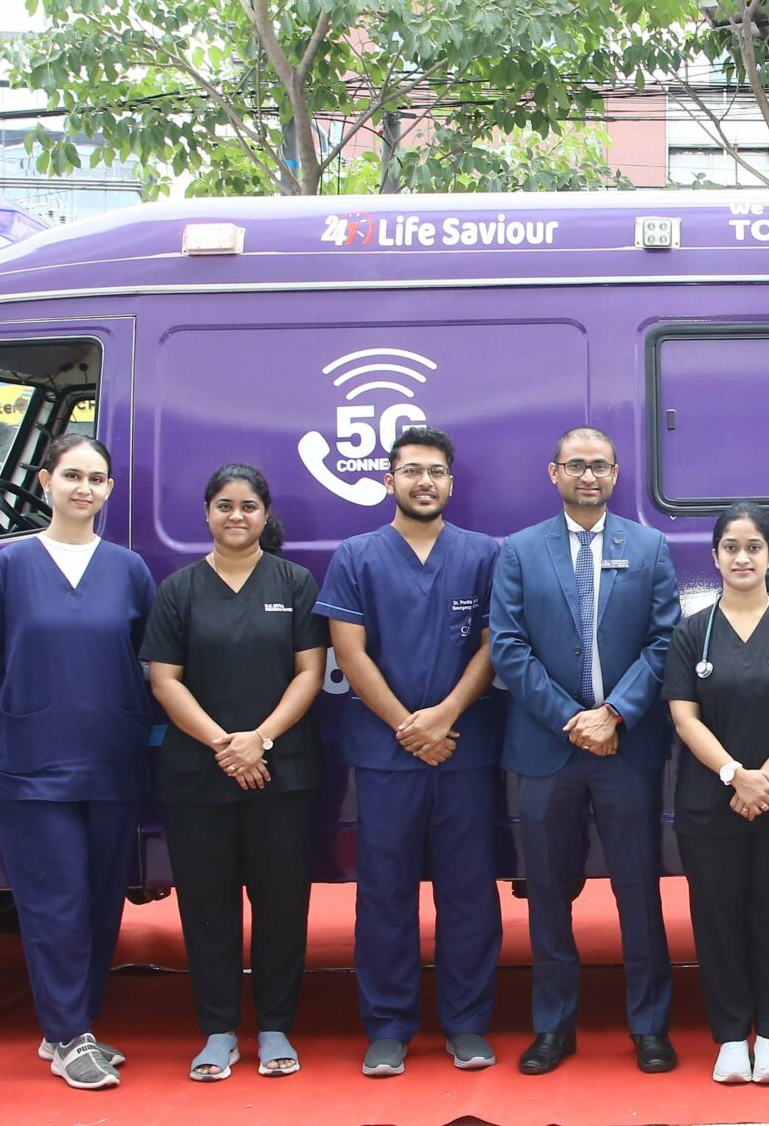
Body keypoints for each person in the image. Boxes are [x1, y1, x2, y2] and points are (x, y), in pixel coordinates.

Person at [0, 435, 159, 1089]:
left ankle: (74, 1029)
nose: (84, 488)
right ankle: (69, 1033)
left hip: (110, 758)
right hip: (34, 764)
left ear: (110, 490)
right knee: (57, 902)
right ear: (45, 481)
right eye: (71, 475)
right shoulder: (12, 564)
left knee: (101, 902)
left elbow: (147, 660)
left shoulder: (128, 569)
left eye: (96, 478)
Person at [487, 428, 683, 1077]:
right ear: (554, 473)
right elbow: (508, 646)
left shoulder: (649, 548)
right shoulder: (519, 551)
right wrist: (572, 719)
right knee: (547, 894)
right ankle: (553, 1026)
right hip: (548, 747)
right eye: (576, 465)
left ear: (616, 473)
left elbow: (663, 642)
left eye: (600, 465)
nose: (589, 475)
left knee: (638, 891)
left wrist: (615, 713)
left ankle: (650, 1027)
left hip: (626, 747)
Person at [318, 426, 506, 1077]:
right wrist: (408, 727)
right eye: (411, 470)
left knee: (469, 893)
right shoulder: (356, 556)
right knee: (384, 893)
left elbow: (494, 645)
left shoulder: (483, 555)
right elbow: (349, 654)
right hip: (386, 755)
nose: (424, 482)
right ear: (389, 480)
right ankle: (388, 1026)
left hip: (464, 750)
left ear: (451, 482)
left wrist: (444, 717)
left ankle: (467, 1023)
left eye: (435, 472)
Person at [144, 463, 332, 1083]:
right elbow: (164, 679)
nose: (236, 516)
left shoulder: (295, 582)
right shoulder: (178, 590)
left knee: (282, 905)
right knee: (208, 907)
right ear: (206, 513)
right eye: (224, 505)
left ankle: (276, 1025)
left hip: (282, 773)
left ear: (264, 514)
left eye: (248, 506)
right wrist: (224, 744)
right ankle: (219, 1031)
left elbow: (310, 672)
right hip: (199, 776)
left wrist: (261, 740)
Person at [666, 501, 769, 1086]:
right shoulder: (693, 633)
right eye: (731, 548)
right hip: (712, 802)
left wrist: (767, 778)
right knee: (718, 922)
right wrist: (735, 775)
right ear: (715, 558)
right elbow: (684, 717)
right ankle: (732, 1038)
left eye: (754, 547)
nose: (743, 557)